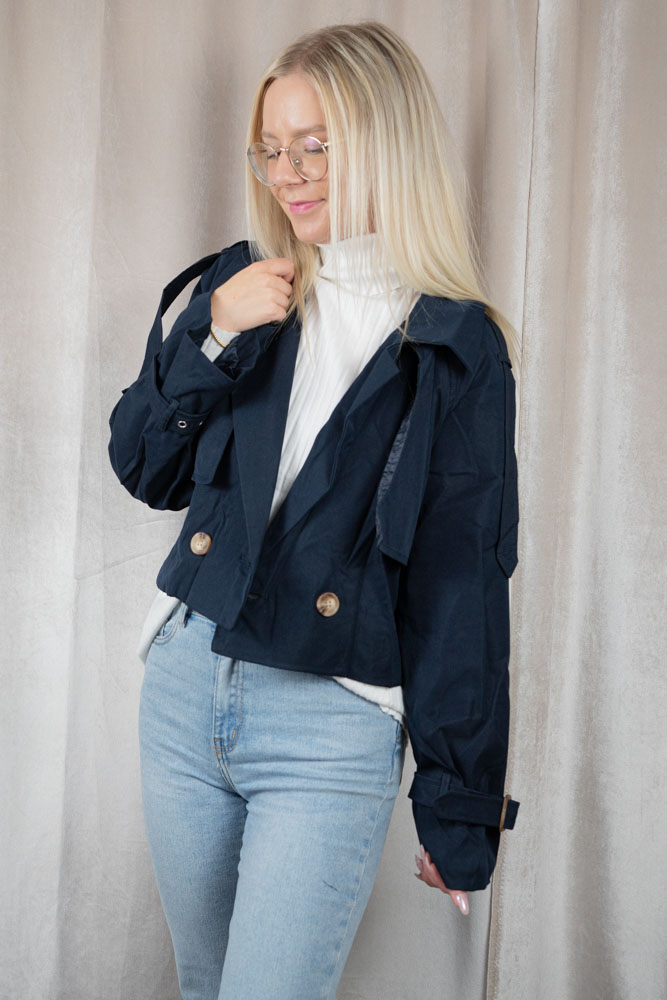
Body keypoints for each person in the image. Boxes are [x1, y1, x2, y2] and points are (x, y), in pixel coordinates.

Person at [108, 19, 521, 1000]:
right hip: (185, 684)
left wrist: (458, 808)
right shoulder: (242, 285)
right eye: (272, 147)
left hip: (329, 721)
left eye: (316, 144)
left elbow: (461, 584)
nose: (287, 173)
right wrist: (213, 335)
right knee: (204, 985)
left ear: (385, 143)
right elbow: (144, 468)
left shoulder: (455, 345)